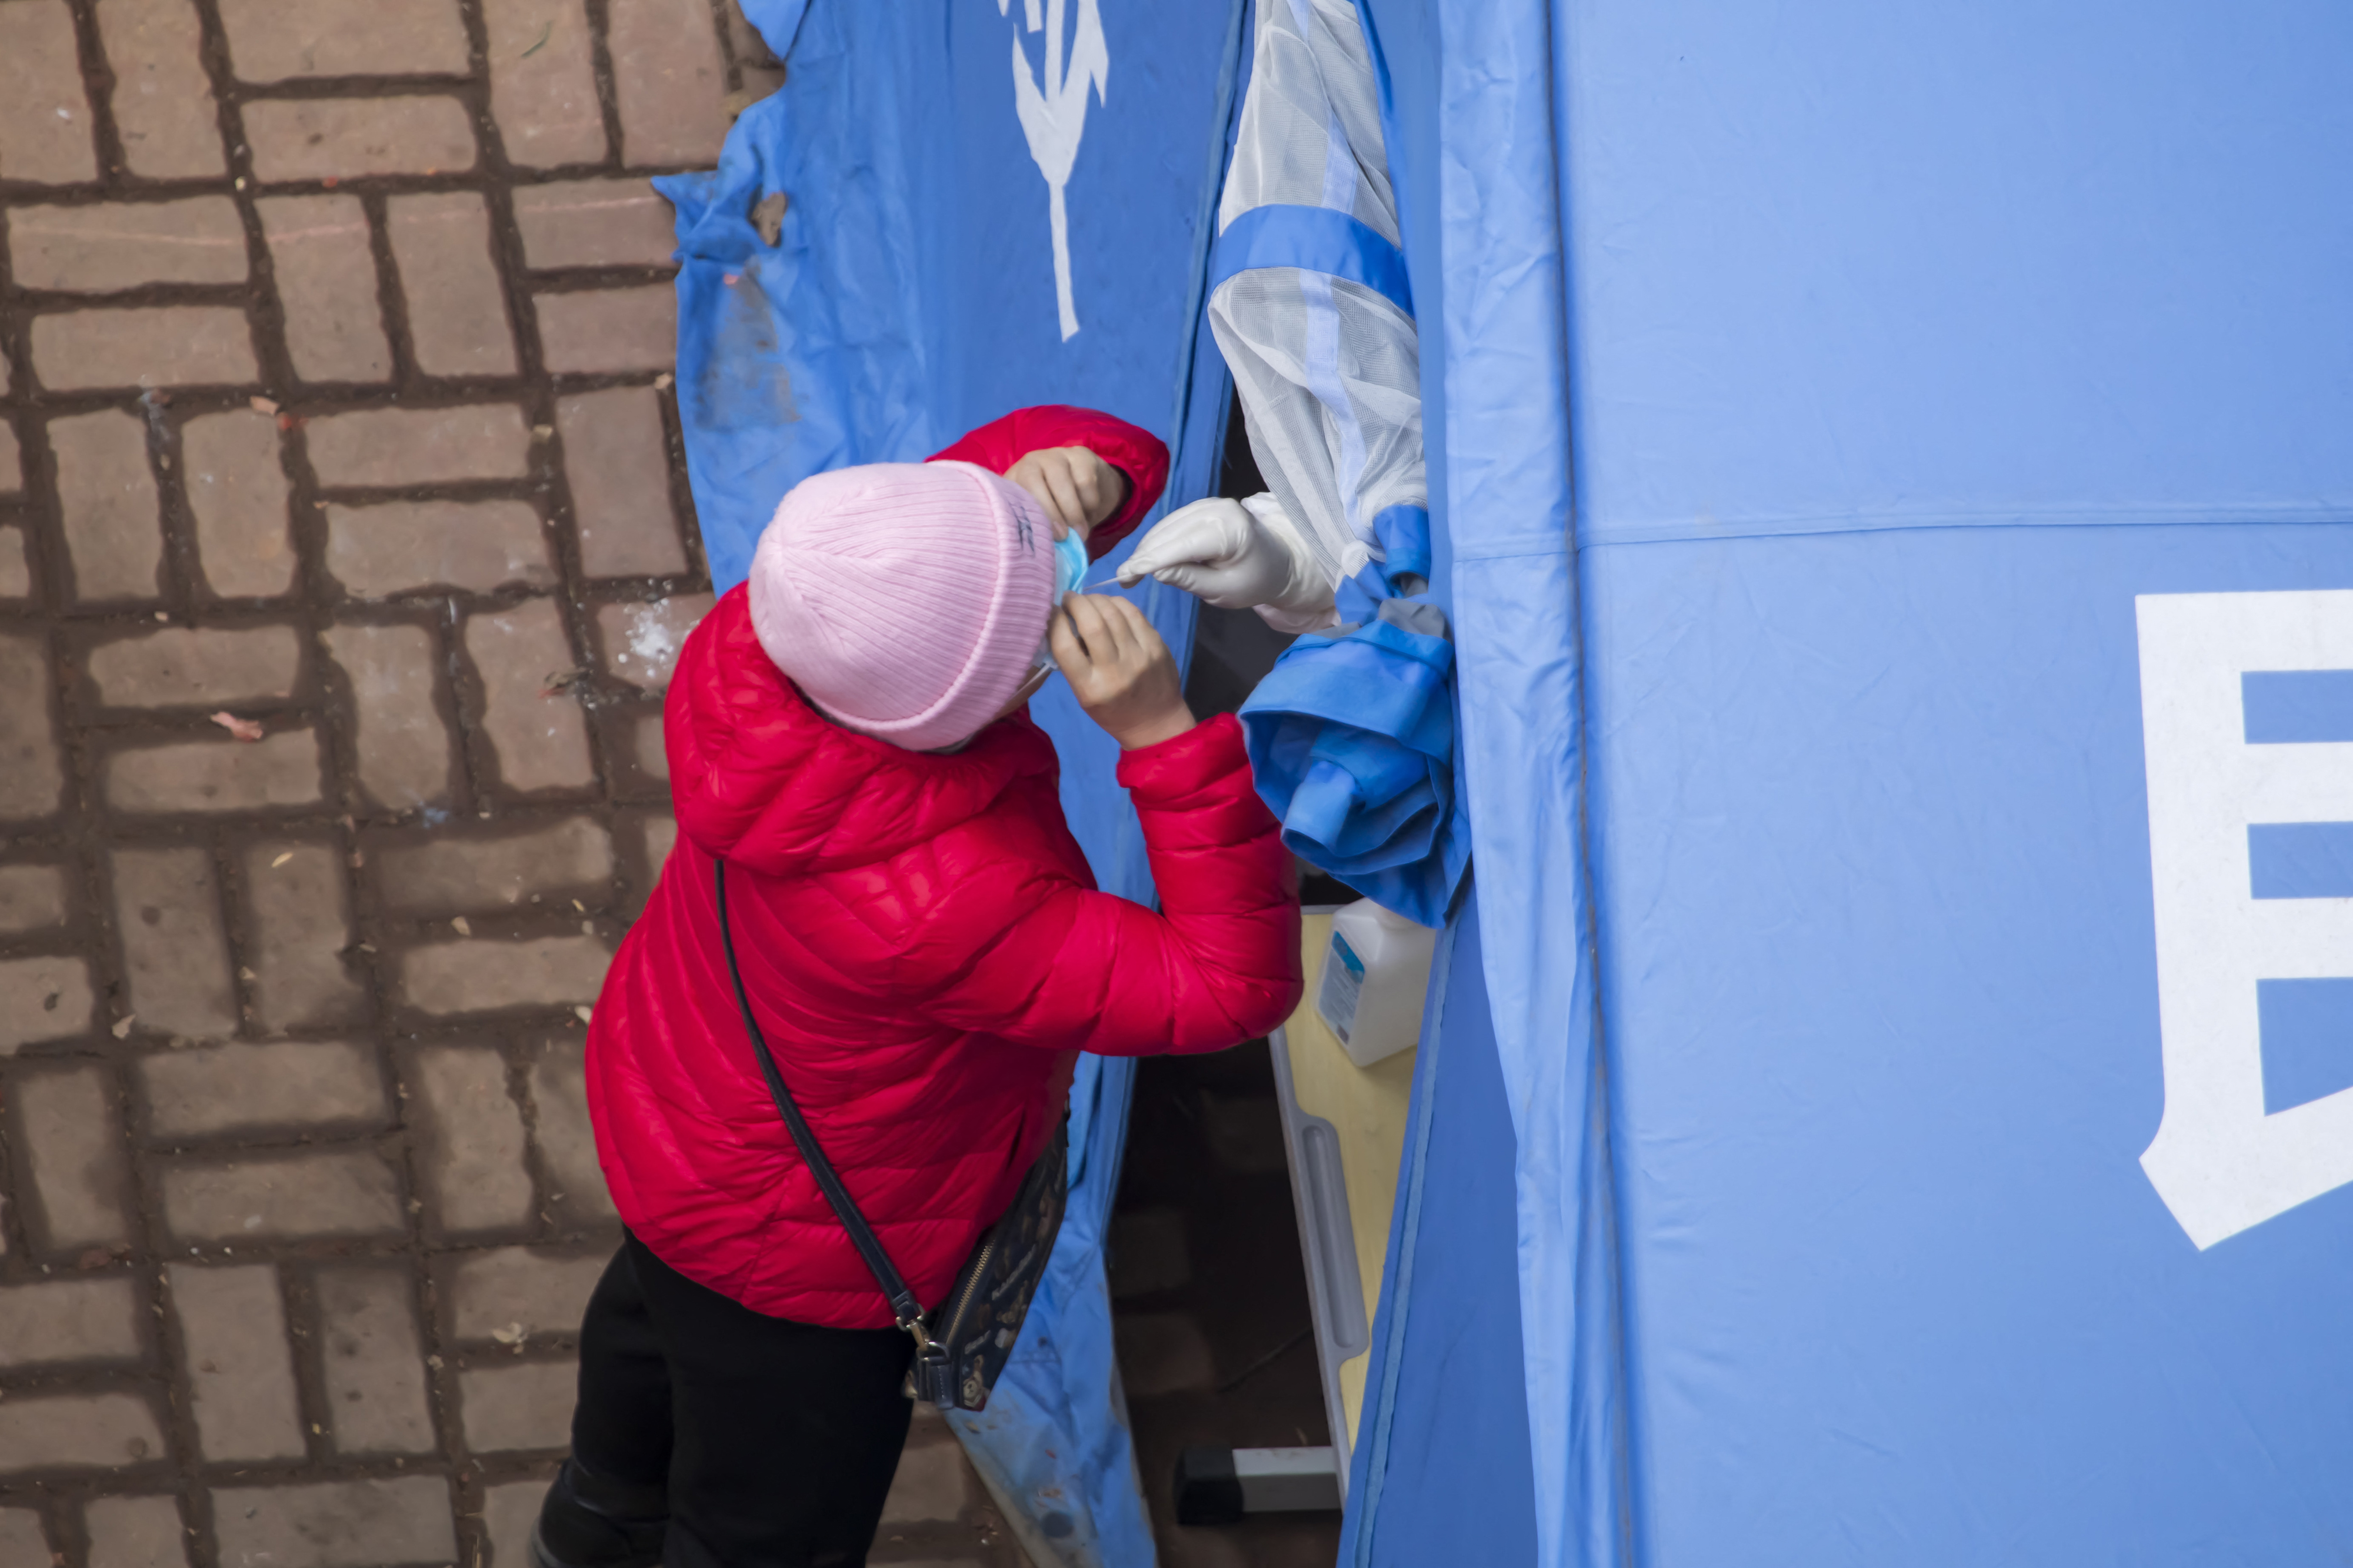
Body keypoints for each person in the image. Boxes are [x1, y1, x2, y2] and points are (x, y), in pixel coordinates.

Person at [535, 405, 1304, 1568]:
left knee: (655, 1331)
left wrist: (1081, 472)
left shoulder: (777, 629)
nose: (1061, 595)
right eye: (1037, 626)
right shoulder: (948, 900)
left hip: (684, 1120)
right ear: (966, 704)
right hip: (804, 1253)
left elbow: (929, 543)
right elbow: (1226, 984)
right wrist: (1160, 739)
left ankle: (592, 1528)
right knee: (769, 1523)